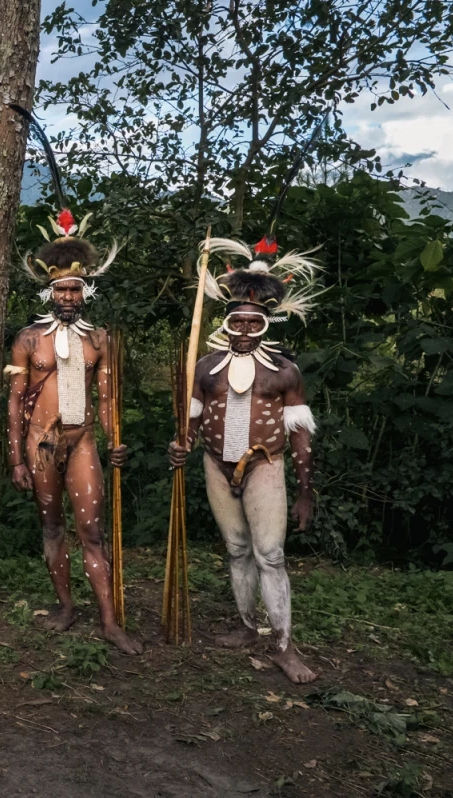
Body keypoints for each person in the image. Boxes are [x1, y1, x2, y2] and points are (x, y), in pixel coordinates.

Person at [168, 234, 321, 683]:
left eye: (255, 324)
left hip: (264, 465)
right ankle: (248, 626)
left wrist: (305, 491)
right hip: (216, 464)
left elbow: (300, 434)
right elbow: (189, 424)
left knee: (269, 554)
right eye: (238, 322)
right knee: (237, 550)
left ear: (267, 324)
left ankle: (285, 646)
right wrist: (180, 446)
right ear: (227, 321)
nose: (245, 331)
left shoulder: (284, 372)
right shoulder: (205, 368)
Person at [5, 208, 140, 654]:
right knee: (51, 528)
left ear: (85, 292)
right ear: (49, 291)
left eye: (74, 288)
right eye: (61, 288)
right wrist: (16, 459)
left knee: (92, 532)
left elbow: (106, 400)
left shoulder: (99, 339)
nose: (67, 295)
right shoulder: (28, 339)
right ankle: (66, 607)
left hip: (81, 441)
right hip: (41, 444)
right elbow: (14, 402)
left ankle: (109, 621)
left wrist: (114, 439)